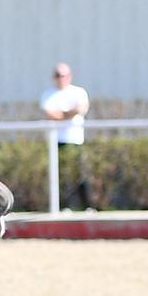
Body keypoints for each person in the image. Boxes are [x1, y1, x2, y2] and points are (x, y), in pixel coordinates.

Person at [39, 63, 91, 210]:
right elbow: (50, 114)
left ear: (69, 76)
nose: (60, 79)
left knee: (79, 174)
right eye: (57, 75)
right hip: (55, 141)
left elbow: (82, 109)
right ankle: (64, 207)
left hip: (75, 140)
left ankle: (88, 206)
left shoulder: (78, 92)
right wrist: (69, 114)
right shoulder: (48, 95)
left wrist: (62, 114)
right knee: (60, 176)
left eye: (63, 75)